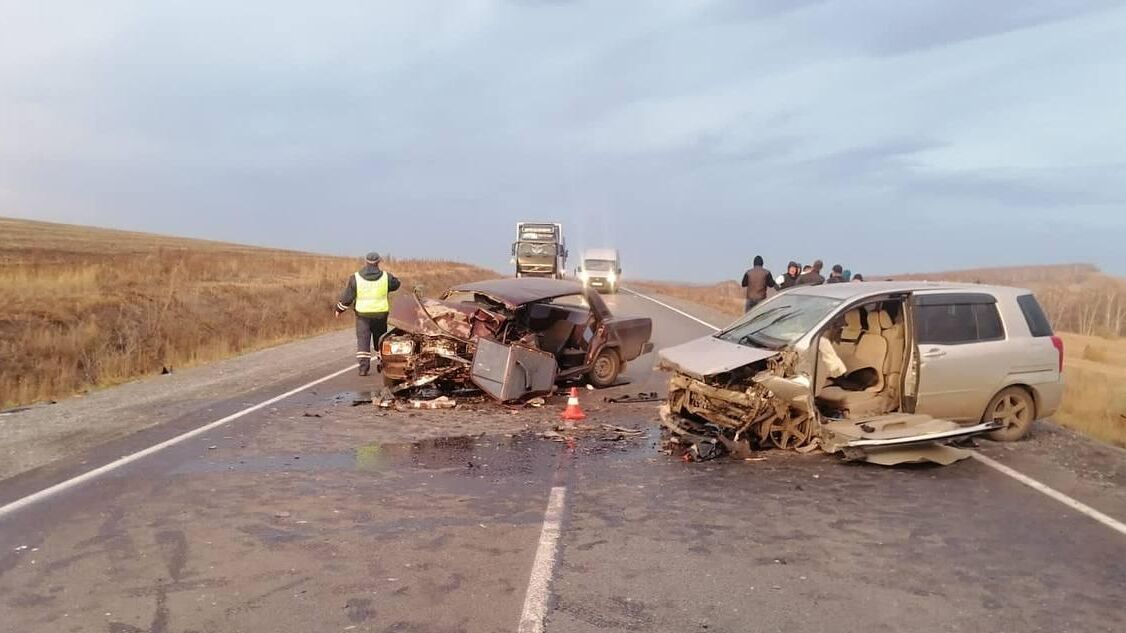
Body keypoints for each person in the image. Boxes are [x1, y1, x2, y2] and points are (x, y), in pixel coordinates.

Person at [335, 252, 401, 376]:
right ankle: (382, 364)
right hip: (380, 314)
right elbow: (396, 284)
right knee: (380, 340)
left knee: (363, 341)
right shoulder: (386, 277)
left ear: (365, 261)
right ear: (379, 261)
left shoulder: (355, 278)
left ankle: (363, 369)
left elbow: (347, 297)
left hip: (363, 315)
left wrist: (339, 309)